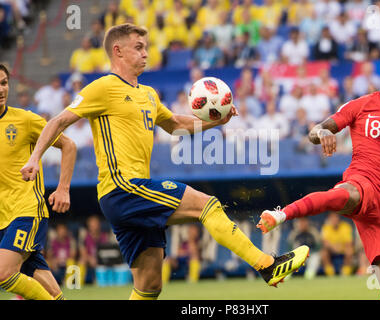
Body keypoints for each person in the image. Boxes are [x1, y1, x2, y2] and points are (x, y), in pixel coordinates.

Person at [21, 23, 309, 300]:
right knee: (206, 205)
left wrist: (215, 121)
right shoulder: (103, 88)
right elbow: (58, 121)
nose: (145, 53)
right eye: (138, 47)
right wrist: (36, 158)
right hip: (123, 188)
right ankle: (267, 265)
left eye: (146, 47)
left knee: (150, 285)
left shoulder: (148, 94)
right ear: (118, 51)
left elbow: (176, 125)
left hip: (132, 194)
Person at [257, 58, 380, 300]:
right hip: (363, 180)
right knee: (344, 194)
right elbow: (315, 131)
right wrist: (324, 131)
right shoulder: (360, 105)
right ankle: (281, 214)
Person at [0, 63, 77, 300]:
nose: (1, 89)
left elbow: (68, 145)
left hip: (26, 211)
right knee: (52, 292)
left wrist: (63, 188)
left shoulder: (24, 120)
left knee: (3, 273)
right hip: (3, 216)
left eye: (3, 83)